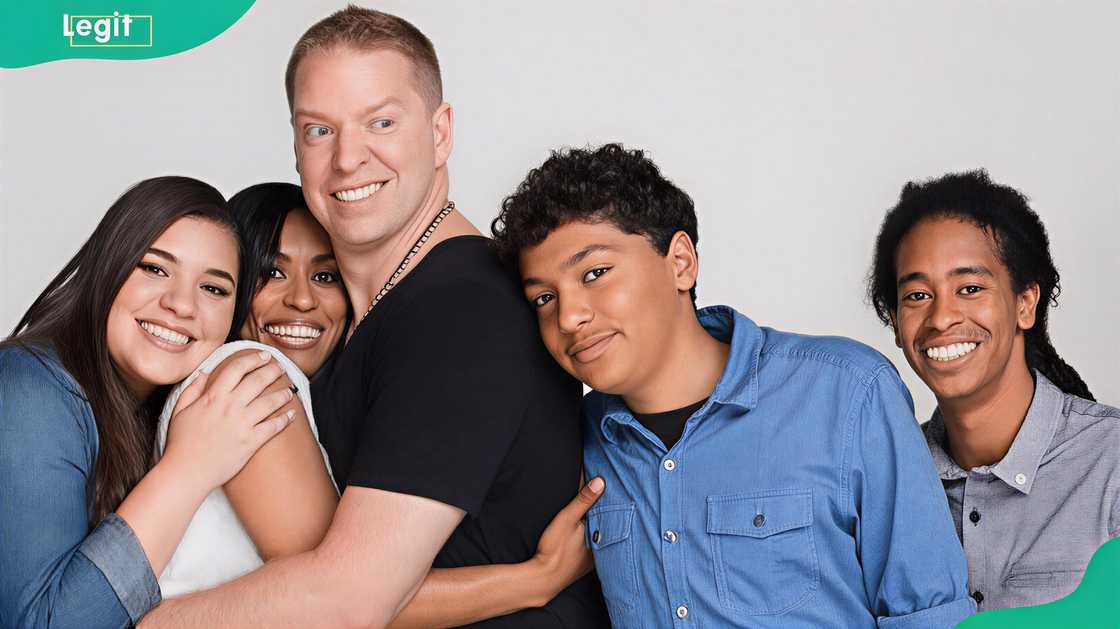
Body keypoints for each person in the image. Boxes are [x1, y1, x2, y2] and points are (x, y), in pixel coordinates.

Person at [141, 8, 609, 627]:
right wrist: (529, 581)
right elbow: (325, 568)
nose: (347, 159)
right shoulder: (371, 320)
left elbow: (349, 599)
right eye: (319, 131)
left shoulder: (461, 311)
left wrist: (153, 624)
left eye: (381, 122)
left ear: (441, 133)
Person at [490, 143, 976, 627]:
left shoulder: (846, 391)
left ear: (680, 262)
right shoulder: (579, 439)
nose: (570, 316)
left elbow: (928, 614)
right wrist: (535, 579)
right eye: (544, 298)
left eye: (595, 273)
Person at [0, 177, 295, 628]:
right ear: (109, 268)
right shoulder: (30, 386)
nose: (181, 304)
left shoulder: (167, 406)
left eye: (213, 289)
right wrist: (191, 467)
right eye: (154, 268)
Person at [867, 170, 1120, 610]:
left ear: (1025, 303)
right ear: (895, 322)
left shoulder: (1110, 465)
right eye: (917, 296)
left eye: (970, 288)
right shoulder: (885, 484)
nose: (942, 317)